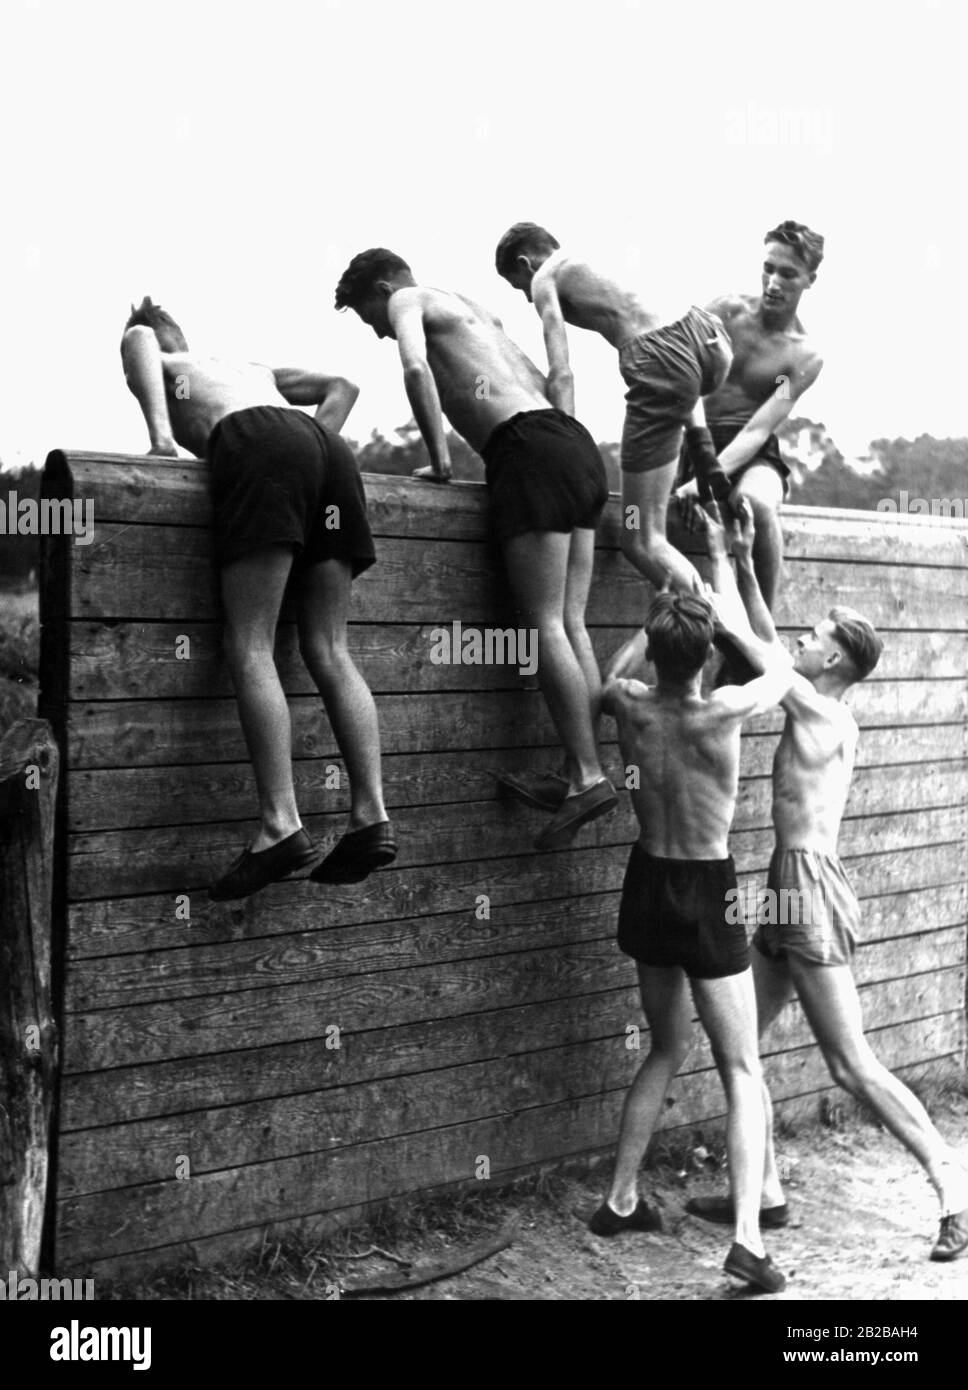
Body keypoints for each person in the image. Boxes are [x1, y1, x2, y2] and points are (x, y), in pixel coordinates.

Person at [685, 501, 968, 1263]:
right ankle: (766, 1196)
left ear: (835, 662)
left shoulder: (822, 712)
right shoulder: (811, 694)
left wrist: (712, 558)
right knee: (740, 1040)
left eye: (814, 639)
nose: (801, 641)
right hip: (783, 881)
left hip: (807, 887)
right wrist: (742, 560)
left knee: (850, 1063)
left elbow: (742, 638)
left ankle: (952, 1187)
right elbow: (768, 639)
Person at [334, 250, 616, 851]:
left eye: (370, 317)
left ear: (385, 287)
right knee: (572, 622)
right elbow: (550, 379)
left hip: (524, 449)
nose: (380, 329)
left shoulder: (411, 299)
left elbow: (416, 369)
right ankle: (578, 772)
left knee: (543, 624)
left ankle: (589, 776)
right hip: (572, 443)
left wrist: (440, 459)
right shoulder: (478, 311)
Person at [120, 296, 395, 899]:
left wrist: (162, 438)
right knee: (329, 647)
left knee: (249, 645)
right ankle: (369, 815)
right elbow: (345, 385)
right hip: (327, 454)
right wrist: (302, 460)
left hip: (260, 446)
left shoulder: (164, 357)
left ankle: (280, 825)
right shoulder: (251, 370)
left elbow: (139, 338)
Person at [590, 536, 794, 1293]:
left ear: (657, 652)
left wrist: (658, 620)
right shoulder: (726, 710)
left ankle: (619, 1199)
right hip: (707, 888)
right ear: (705, 656)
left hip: (647, 878)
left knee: (665, 1048)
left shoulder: (629, 705)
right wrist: (714, 610)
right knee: (742, 1068)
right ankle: (747, 1241)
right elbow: (780, 668)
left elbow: (609, 676)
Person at [494, 222, 734, 593]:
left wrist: (565, 448)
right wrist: (699, 442)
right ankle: (702, 448)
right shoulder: (593, 255)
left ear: (525, 263)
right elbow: (677, 353)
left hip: (662, 363)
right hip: (705, 335)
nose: (527, 297)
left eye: (518, 287)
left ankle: (719, 628)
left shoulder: (545, 277)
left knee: (639, 536)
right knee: (676, 383)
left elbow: (561, 373)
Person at [678, 220, 825, 613]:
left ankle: (765, 631)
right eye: (768, 269)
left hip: (751, 452)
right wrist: (695, 467)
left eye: (788, 274)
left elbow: (759, 429)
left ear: (810, 279)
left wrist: (710, 475)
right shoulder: (725, 310)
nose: (774, 282)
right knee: (661, 519)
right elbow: (678, 374)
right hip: (696, 437)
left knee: (756, 504)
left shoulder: (804, 355)